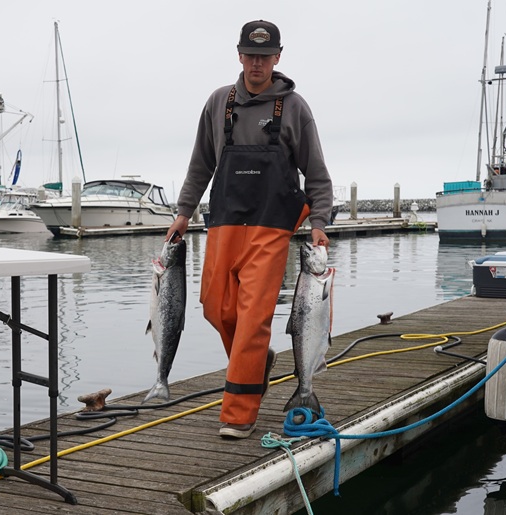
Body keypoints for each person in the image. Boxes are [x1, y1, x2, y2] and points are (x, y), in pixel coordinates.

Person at [166, 20, 333, 439]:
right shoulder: (218, 103)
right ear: (239, 55)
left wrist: (319, 224)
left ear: (277, 58)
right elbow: (200, 164)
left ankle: (239, 413)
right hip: (223, 224)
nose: (257, 63)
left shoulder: (294, 107)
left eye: (265, 56)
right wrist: (184, 211)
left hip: (271, 229)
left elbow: (316, 174)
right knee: (215, 307)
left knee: (253, 316)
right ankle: (256, 363)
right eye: (250, 55)